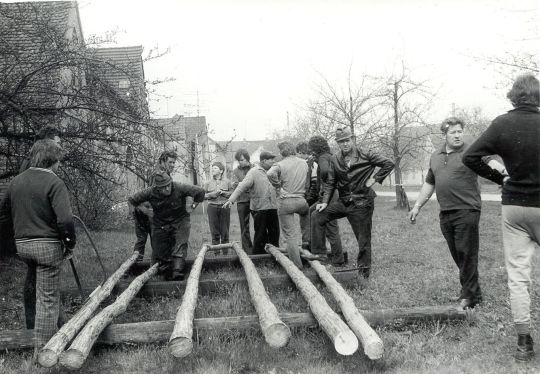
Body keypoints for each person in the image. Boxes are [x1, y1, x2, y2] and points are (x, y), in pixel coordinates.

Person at [463, 73, 540, 362]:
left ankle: (523, 343)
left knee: (518, 277)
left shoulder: (501, 123)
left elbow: (470, 157)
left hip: (514, 209)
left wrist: (499, 177)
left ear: (513, 96)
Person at [0, 139, 76, 356]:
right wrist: (69, 244)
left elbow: (3, 216)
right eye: (59, 160)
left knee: (38, 288)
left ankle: (51, 331)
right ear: (53, 160)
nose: (59, 165)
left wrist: (16, 239)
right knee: (48, 299)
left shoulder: (16, 181)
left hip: (23, 246)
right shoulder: (55, 183)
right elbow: (66, 221)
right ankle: (43, 354)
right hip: (47, 248)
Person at [408, 117, 486, 310]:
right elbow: (429, 183)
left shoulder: (471, 151)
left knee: (466, 253)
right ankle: (473, 292)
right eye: (453, 132)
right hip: (446, 212)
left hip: (467, 209)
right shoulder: (435, 156)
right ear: (444, 134)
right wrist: (417, 206)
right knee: (458, 254)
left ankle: (468, 296)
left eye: (460, 131)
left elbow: (490, 162)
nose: (458, 135)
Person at [311, 127, 394, 278]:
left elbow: (389, 163)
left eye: (347, 140)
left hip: (362, 203)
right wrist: (324, 202)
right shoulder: (335, 158)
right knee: (317, 215)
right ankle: (319, 254)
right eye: (341, 141)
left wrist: (374, 179)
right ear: (337, 143)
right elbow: (330, 181)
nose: (344, 144)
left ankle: (363, 274)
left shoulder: (366, 154)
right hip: (344, 202)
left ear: (353, 139)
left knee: (363, 240)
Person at [128, 171, 205, 281]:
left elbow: (200, 192)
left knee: (180, 243)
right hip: (160, 223)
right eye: (164, 187)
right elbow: (131, 200)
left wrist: (192, 206)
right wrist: (145, 211)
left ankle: (178, 271)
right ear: (157, 188)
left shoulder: (179, 187)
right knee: (160, 250)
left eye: (168, 185)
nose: (167, 189)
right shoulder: (150, 191)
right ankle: (166, 271)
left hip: (180, 220)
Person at [223, 151, 280, 254]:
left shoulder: (273, 171)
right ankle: (258, 257)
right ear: (264, 161)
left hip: (273, 207)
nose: (273, 161)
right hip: (260, 208)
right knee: (260, 234)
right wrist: (231, 200)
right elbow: (241, 186)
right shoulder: (254, 172)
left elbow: (278, 186)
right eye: (271, 159)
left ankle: (276, 255)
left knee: (275, 233)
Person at [267, 141, 309, 268]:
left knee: (290, 236)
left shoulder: (279, 164)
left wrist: (278, 188)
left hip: (287, 201)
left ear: (281, 152)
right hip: (302, 201)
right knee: (306, 228)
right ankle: (308, 253)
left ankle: (297, 266)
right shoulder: (304, 163)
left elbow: (269, 174)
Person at [304, 136, 345, 265]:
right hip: (332, 193)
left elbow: (326, 172)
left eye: (311, 148)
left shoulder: (323, 158)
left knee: (330, 226)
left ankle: (333, 258)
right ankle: (319, 250)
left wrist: (324, 183)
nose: (310, 150)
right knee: (312, 212)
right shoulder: (328, 156)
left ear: (315, 147)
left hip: (330, 194)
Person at [132, 150, 177, 262]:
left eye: (173, 163)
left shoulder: (163, 174)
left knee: (145, 241)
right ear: (162, 161)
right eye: (170, 162)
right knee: (153, 240)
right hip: (145, 211)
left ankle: (141, 266)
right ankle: (146, 267)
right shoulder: (158, 175)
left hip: (144, 209)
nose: (172, 165)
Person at [204, 162, 233, 251]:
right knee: (214, 232)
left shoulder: (228, 182)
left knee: (225, 231)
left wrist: (224, 193)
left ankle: (225, 254)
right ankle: (216, 254)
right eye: (212, 168)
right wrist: (211, 195)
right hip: (212, 208)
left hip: (224, 207)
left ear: (221, 171)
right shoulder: (207, 183)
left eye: (215, 168)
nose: (213, 170)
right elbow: (203, 195)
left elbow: (233, 194)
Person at [232, 149, 254, 253]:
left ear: (247, 158)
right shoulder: (235, 171)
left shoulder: (255, 168)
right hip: (241, 201)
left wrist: (242, 184)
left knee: (259, 225)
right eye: (238, 160)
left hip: (255, 200)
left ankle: (259, 249)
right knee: (244, 227)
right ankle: (248, 251)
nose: (240, 162)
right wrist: (245, 185)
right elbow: (235, 185)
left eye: (242, 160)